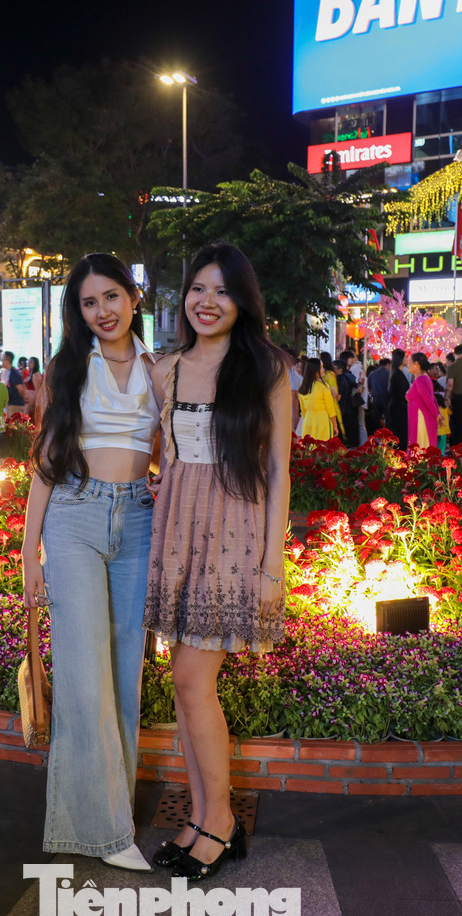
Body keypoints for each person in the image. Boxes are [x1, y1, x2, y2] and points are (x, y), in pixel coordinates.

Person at [143, 243, 288, 883]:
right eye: (198, 289)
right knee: (184, 684)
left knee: (192, 680)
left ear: (242, 301)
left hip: (234, 535)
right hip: (178, 531)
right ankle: (203, 815)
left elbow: (279, 472)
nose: (207, 301)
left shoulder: (266, 371)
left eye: (222, 290)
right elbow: (160, 453)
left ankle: (221, 822)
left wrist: (271, 568)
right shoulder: (167, 370)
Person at [19, 253, 160, 873]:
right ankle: (105, 833)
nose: (102, 311)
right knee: (82, 675)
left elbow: (172, 455)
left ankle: (112, 816)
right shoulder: (69, 368)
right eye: (88, 302)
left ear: (133, 297)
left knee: (125, 673)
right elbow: (47, 461)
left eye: (111, 296)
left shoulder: (160, 370)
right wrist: (30, 552)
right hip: (74, 517)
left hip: (138, 518)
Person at [296, 358, 339, 441]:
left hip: (308, 421)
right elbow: (330, 409)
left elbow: (303, 412)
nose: (323, 369)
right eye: (321, 367)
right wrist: (335, 426)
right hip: (322, 421)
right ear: (315, 370)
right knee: (322, 446)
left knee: (309, 446)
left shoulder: (302, 388)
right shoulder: (323, 386)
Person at [407, 352, 438, 449]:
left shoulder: (421, 380)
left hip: (421, 419)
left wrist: (437, 415)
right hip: (419, 417)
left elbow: (428, 400)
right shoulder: (422, 378)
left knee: (420, 446)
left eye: (410, 362)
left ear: (416, 364)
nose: (408, 364)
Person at [383, 350, 409, 447]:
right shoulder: (398, 374)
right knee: (400, 434)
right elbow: (403, 393)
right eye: (405, 357)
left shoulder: (396, 372)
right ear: (400, 359)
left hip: (396, 407)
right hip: (399, 408)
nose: (407, 359)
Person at [334, 359, 360, 448]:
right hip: (351, 406)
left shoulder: (339, 378)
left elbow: (339, 396)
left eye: (334, 368)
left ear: (340, 369)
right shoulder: (349, 376)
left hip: (343, 407)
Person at [365, 358, 390, 436]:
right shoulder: (389, 374)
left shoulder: (372, 373)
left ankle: (376, 436)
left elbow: (369, 387)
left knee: (376, 420)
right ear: (388, 365)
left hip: (375, 399)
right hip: (386, 399)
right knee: (388, 419)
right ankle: (387, 436)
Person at [1, 350, 26, 418]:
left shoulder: (14, 373)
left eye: (3, 359)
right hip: (10, 404)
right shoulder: (7, 372)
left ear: (7, 360)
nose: (2, 361)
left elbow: (20, 389)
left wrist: (24, 401)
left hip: (15, 405)